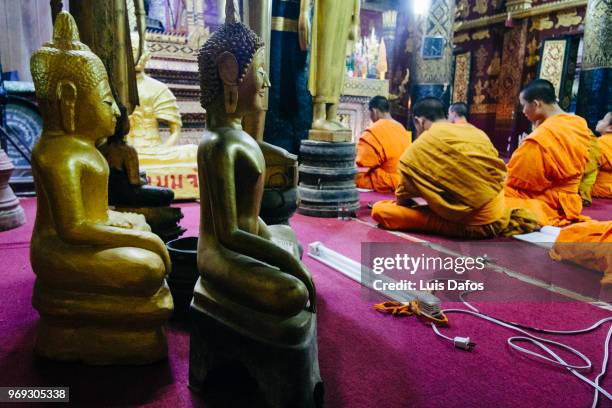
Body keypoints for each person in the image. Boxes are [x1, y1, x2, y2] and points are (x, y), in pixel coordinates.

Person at [29, 11, 172, 364]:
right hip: (59, 251)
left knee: (147, 243)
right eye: (107, 100)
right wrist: (144, 239)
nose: (116, 113)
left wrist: (125, 224)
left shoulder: (85, 152)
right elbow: (74, 228)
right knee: (147, 267)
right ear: (69, 100)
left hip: (85, 239)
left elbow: (94, 214)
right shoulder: (57, 154)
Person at [371, 97, 538, 238]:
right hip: (496, 214)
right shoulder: (477, 133)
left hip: (472, 224)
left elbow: (403, 200)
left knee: (381, 211)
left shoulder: (418, 148)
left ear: (418, 121)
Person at [504, 79, 593, 226]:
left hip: (546, 201)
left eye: (524, 105)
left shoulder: (543, 136)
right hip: (570, 200)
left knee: (489, 194)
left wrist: (523, 150)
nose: (523, 111)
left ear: (536, 104)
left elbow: (521, 180)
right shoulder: (579, 123)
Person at [98, 103, 174, 207]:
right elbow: (134, 181)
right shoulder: (127, 150)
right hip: (125, 196)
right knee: (168, 194)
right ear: (123, 124)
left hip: (106, 195)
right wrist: (143, 178)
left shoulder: (100, 148)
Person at [355, 95, 411, 192]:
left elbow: (363, 167)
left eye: (370, 115)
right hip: (402, 180)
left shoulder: (374, 130)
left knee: (353, 177)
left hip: (385, 181)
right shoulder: (401, 127)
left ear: (374, 111)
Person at [592, 112, 612, 198]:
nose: (599, 121)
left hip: (600, 190)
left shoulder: (599, 144)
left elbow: (587, 171)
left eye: (603, 120)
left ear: (610, 128)